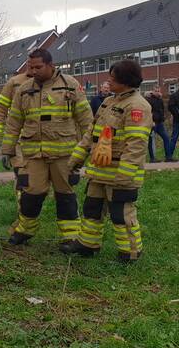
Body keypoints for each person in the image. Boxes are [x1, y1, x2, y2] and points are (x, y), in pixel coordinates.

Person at [61, 59, 152, 262]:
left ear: (126, 81)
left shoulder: (138, 106)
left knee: (121, 214)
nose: (108, 81)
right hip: (99, 172)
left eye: (112, 79)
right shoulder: (109, 102)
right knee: (92, 208)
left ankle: (130, 252)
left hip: (120, 174)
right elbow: (91, 133)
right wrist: (76, 158)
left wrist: (126, 174)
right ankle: (88, 244)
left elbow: (136, 144)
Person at [1, 48, 93, 246]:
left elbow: (86, 120)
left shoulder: (70, 85)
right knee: (31, 193)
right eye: (30, 67)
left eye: (38, 67)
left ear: (51, 65)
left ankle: (70, 236)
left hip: (64, 154)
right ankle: (25, 230)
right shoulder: (24, 89)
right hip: (34, 154)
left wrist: (89, 147)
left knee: (65, 194)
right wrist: (7, 150)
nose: (33, 71)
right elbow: (14, 122)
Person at [0, 68, 32, 155]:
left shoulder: (59, 83)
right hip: (20, 142)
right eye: (30, 64)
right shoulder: (15, 83)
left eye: (38, 67)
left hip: (54, 148)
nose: (33, 69)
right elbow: (0, 110)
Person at [145, 86, 171, 163]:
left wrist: (163, 118)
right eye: (156, 91)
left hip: (160, 123)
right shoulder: (149, 100)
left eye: (158, 91)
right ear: (152, 91)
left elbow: (162, 110)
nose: (157, 92)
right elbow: (148, 111)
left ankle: (168, 157)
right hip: (152, 123)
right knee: (151, 140)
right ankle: (152, 158)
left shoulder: (160, 100)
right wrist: (151, 121)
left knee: (166, 138)